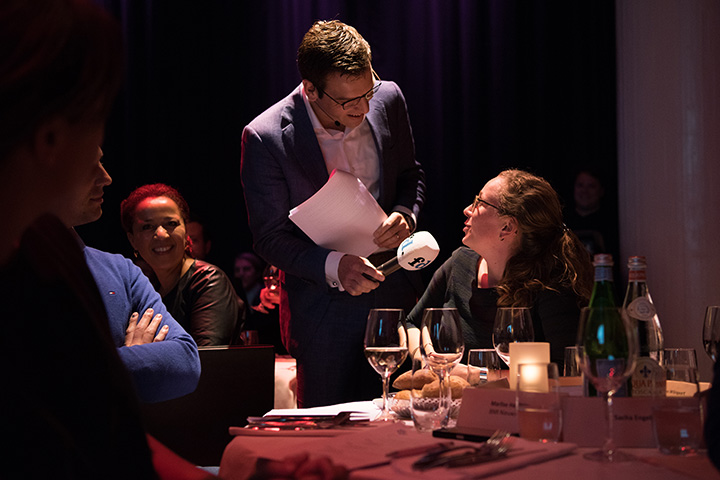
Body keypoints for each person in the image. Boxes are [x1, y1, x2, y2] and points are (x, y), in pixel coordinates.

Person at [241, 20, 426, 407]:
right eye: (348, 101)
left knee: (399, 422)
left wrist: (404, 215)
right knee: (327, 429)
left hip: (394, 293)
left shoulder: (388, 98)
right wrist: (334, 265)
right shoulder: (266, 136)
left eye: (368, 91)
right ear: (311, 89)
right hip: (322, 310)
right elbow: (269, 237)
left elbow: (411, 176)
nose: (364, 107)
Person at [407, 169, 594, 368]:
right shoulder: (459, 263)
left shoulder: (551, 283)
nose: (467, 209)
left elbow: (567, 369)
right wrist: (424, 359)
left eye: (479, 202)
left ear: (507, 227)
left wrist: (476, 376)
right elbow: (413, 323)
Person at [65, 146, 201, 403]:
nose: (106, 178)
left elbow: (186, 362)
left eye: (171, 224)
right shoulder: (13, 267)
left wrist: (105, 366)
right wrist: (134, 361)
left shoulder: (121, 269)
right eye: (89, 164)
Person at [120, 184, 241, 346]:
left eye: (171, 223)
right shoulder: (147, 288)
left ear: (185, 231)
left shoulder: (207, 280)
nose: (161, 234)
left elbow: (206, 357)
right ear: (132, 240)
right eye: (147, 226)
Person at [564, 167, 619, 263]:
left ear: (601, 191)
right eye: (580, 185)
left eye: (591, 186)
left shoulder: (612, 224)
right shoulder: (562, 222)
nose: (584, 191)